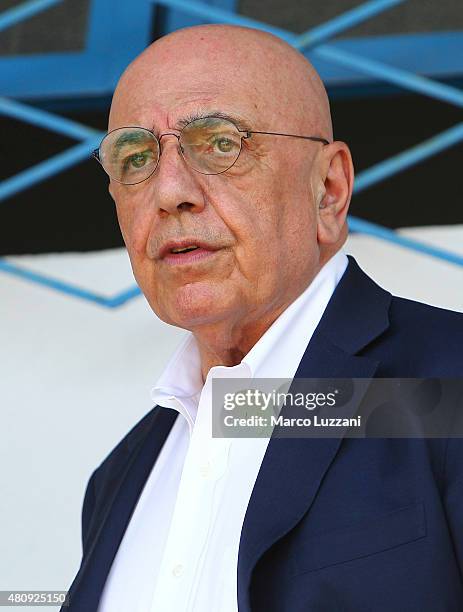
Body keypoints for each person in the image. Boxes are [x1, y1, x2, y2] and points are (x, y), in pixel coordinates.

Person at [63, 24, 463, 612]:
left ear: (328, 190)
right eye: (137, 157)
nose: (171, 190)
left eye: (222, 144)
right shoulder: (118, 478)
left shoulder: (446, 387)